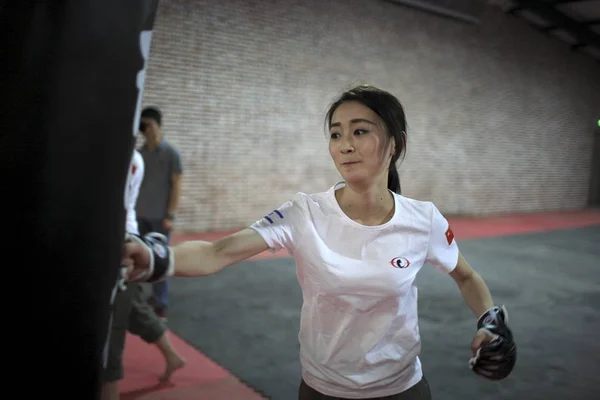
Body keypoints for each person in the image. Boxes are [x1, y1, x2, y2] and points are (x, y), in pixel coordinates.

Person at [122, 85, 517, 400]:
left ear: (395, 143)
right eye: (335, 133)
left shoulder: (423, 219)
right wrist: (159, 257)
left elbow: (466, 276)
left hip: (401, 390)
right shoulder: (303, 213)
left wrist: (490, 322)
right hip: (322, 390)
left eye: (360, 131)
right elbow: (216, 252)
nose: (344, 144)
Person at [102, 149, 185, 400]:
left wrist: (169, 214)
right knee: (134, 307)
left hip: (122, 241)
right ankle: (173, 356)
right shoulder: (137, 156)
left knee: (111, 332)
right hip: (128, 234)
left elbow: (176, 181)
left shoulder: (133, 157)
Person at [136, 106, 184, 320]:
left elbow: (176, 186)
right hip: (139, 216)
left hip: (160, 217)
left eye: (148, 124)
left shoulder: (171, 154)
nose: (145, 130)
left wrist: (170, 215)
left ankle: (161, 303)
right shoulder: (139, 154)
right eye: (142, 125)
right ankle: (143, 299)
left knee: (161, 260)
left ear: (158, 125)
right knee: (141, 260)